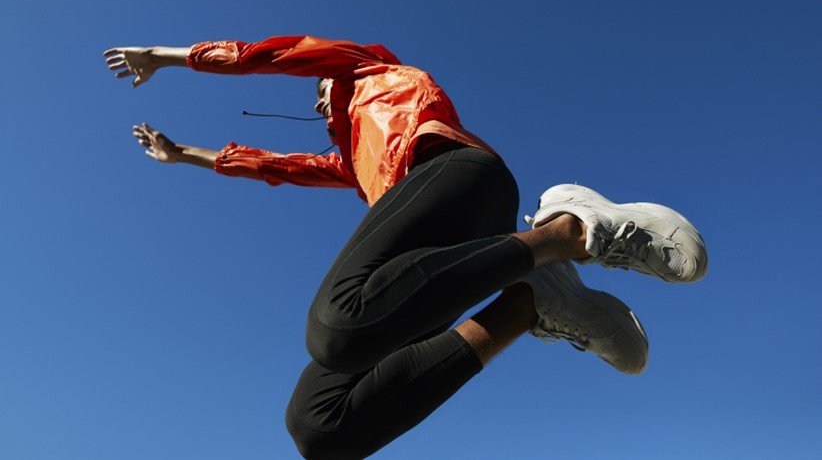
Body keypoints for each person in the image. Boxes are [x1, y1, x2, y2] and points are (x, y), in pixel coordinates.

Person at [104, 36, 708, 459]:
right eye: (320, 102)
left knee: (337, 327)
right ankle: (526, 303)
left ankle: (571, 230)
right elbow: (276, 166)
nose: (320, 101)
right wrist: (183, 154)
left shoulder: (364, 69)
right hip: (440, 258)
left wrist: (164, 56)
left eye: (321, 90)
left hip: (462, 176)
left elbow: (269, 54)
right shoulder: (351, 162)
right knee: (320, 427)